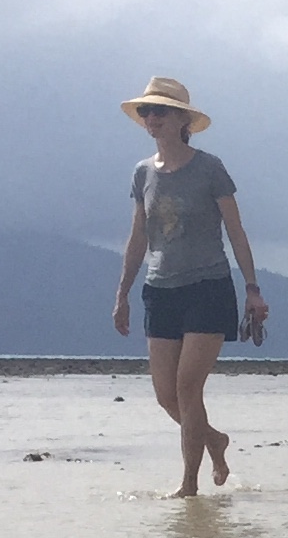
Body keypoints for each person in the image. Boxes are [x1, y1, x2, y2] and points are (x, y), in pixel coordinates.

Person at [110, 77, 264, 498]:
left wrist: (252, 288)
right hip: (160, 290)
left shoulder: (209, 168)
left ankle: (189, 486)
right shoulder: (142, 173)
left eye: (159, 110)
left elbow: (236, 231)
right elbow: (138, 237)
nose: (151, 118)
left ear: (183, 120)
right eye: (146, 111)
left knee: (187, 387)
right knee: (167, 397)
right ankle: (214, 440)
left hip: (208, 287)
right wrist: (122, 293)